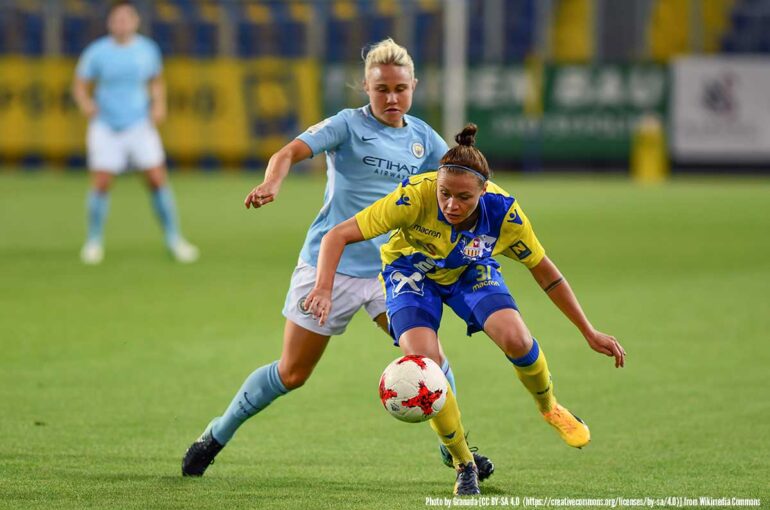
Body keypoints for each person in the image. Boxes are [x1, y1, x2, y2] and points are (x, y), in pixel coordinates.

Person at [181, 39, 493, 480]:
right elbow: (287, 152)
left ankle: (458, 454)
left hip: (394, 272)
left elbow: (466, 183)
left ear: (414, 86)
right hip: (329, 266)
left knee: (433, 364)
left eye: (400, 89)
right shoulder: (347, 125)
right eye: (381, 88)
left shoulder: (425, 139)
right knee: (291, 373)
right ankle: (215, 435)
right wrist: (273, 183)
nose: (391, 98)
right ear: (365, 85)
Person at [304, 123, 626, 495]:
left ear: (483, 191)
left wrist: (588, 331)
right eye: (445, 194)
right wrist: (323, 288)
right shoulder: (413, 198)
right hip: (411, 272)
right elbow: (337, 235)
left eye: (464, 198)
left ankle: (550, 406)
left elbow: (547, 275)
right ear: (435, 185)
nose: (452, 205)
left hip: (469, 270)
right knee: (424, 365)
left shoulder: (505, 215)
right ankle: (463, 463)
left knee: (517, 339)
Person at [72, 1, 198, 264]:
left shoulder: (146, 49)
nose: (122, 24)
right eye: (117, 19)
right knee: (102, 181)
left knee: (156, 179)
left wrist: (159, 104)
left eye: (126, 19)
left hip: (139, 124)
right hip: (106, 124)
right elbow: (80, 84)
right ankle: (93, 241)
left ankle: (174, 239)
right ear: (110, 23)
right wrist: (86, 104)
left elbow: (155, 81)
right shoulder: (97, 52)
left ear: (135, 21)